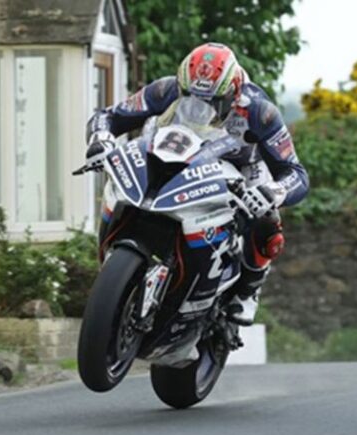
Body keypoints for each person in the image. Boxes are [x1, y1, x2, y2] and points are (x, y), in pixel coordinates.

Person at [85, 42, 309, 326]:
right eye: (189, 97)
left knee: (266, 216)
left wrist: (274, 192)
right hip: (179, 151)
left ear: (233, 92)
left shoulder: (260, 112)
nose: (199, 108)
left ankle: (249, 289)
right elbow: (109, 116)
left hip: (241, 167)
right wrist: (100, 139)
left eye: (211, 102)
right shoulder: (165, 89)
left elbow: (296, 173)